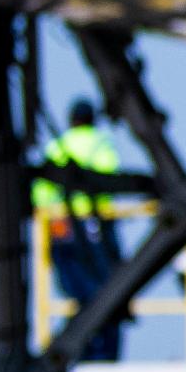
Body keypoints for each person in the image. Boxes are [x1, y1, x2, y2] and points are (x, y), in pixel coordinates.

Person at [32, 99, 131, 336]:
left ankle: (82, 335)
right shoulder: (101, 145)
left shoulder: (58, 145)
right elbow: (110, 180)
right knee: (105, 284)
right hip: (95, 225)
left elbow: (41, 191)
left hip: (62, 224)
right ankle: (101, 338)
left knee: (73, 284)